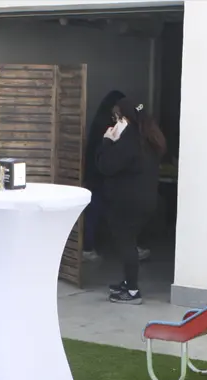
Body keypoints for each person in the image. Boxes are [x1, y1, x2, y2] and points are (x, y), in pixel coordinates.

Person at [96, 97, 166, 305]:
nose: (116, 122)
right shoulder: (149, 138)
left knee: (126, 243)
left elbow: (105, 165)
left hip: (127, 203)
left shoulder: (129, 141)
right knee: (130, 242)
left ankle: (132, 290)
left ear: (125, 118)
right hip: (145, 201)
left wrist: (107, 141)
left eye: (118, 118)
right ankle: (128, 282)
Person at [82, 89, 124, 262]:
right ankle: (87, 247)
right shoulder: (106, 125)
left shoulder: (102, 121)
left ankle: (89, 246)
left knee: (97, 212)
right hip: (98, 176)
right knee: (94, 212)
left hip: (99, 175)